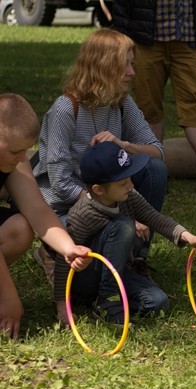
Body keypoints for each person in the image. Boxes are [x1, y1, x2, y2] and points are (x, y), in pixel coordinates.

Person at [34, 29, 168, 281]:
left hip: (108, 196)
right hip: (66, 207)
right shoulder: (66, 109)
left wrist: (124, 144)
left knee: (154, 169)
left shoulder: (121, 102)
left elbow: (157, 151)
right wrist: (114, 209)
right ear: (103, 67)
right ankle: (50, 250)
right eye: (124, 65)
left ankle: (137, 257)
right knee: (89, 270)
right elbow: (60, 183)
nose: (132, 72)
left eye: (132, 64)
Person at [54, 142, 196, 326]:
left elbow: (155, 218)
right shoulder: (83, 214)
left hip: (117, 271)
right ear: (98, 189)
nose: (131, 185)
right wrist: (62, 306)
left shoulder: (129, 196)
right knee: (124, 225)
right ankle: (108, 299)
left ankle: (105, 298)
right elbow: (64, 260)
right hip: (87, 277)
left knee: (157, 303)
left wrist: (188, 237)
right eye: (123, 183)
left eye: (130, 179)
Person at [111, 0, 196, 199]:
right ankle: (153, 173)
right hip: (146, 38)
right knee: (148, 106)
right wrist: (120, 35)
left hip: (188, 37)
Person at [0, 93, 91, 340]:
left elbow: (37, 209)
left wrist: (68, 248)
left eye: (26, 151)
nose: (22, 159)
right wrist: (9, 298)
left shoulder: (14, 159)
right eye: (16, 152)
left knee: (21, 227)